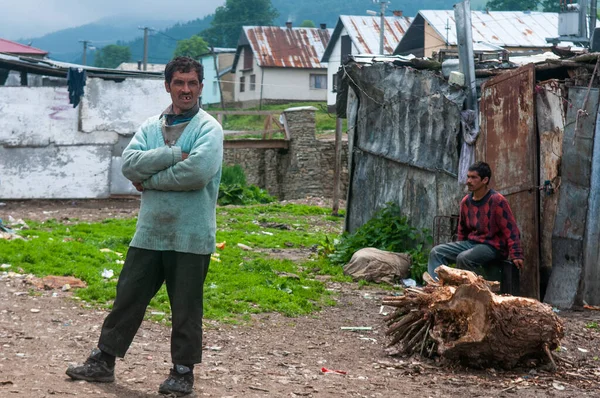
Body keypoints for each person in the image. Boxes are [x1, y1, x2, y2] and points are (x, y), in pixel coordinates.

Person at [66, 56, 223, 397]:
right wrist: (173, 154)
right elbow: (129, 164)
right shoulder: (151, 126)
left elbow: (196, 173)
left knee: (185, 308)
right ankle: (102, 361)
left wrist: (150, 181)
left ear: (200, 86)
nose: (185, 90)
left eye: (192, 83)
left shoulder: (209, 128)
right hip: (150, 231)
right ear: (167, 85)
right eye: (179, 82)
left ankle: (182, 373)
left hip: (191, 234)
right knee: (128, 297)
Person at [427, 161, 524, 281]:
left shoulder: (497, 201)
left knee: (464, 258)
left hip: (493, 246)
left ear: (485, 180)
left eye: (473, 177)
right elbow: (462, 230)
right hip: (472, 243)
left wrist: (516, 254)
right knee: (436, 252)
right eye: (468, 177)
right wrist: (460, 246)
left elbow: (512, 230)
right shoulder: (466, 202)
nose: (468, 181)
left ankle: (470, 292)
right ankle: (435, 289)